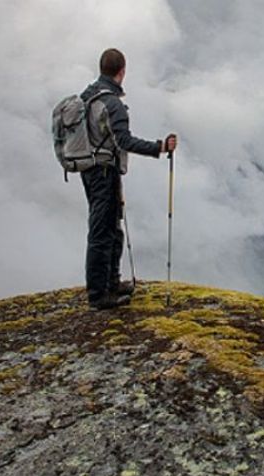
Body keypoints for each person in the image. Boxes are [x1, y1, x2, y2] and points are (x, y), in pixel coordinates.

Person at [79, 48, 177, 310]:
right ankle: (100, 295)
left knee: (109, 226)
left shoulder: (88, 96)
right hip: (104, 172)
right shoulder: (112, 103)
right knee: (103, 230)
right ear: (122, 71)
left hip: (91, 170)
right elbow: (124, 141)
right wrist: (160, 147)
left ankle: (111, 284)